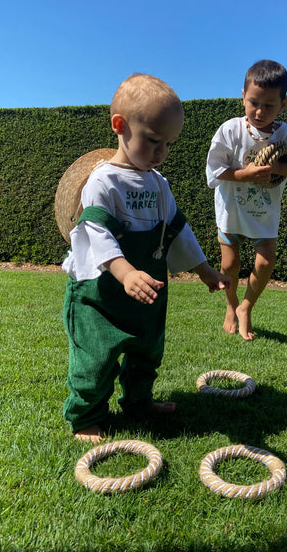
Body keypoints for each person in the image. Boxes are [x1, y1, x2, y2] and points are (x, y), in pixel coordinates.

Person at [62, 73, 230, 443]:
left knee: (146, 352)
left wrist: (203, 269)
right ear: (120, 127)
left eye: (168, 144)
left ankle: (139, 403)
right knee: (96, 358)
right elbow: (97, 232)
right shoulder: (103, 181)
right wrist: (124, 272)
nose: (161, 153)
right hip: (101, 293)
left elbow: (175, 229)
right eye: (153, 141)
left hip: (147, 292)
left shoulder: (158, 183)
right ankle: (87, 416)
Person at [206, 59, 287, 341]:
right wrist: (245, 175)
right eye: (253, 102)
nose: (259, 111)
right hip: (232, 209)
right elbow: (215, 168)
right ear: (242, 96)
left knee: (265, 263)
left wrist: (278, 168)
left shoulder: (284, 135)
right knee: (229, 265)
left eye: (269, 105)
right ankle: (231, 306)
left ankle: (246, 307)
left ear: (283, 104)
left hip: (264, 212)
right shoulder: (230, 130)